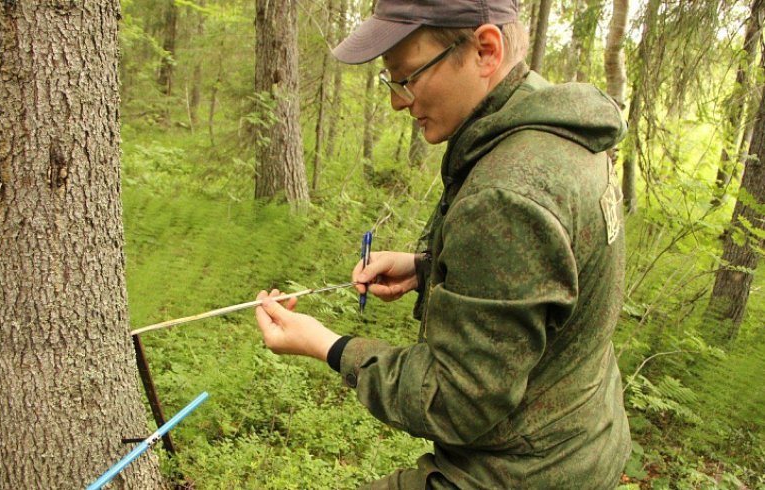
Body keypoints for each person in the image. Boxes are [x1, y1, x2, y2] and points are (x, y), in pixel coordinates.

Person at [255, 0, 631, 487]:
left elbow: (455, 400)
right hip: (583, 439)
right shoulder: (560, 136)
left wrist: (330, 347)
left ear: (484, 51)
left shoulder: (508, 192)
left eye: (407, 77)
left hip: (522, 472)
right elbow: (548, 285)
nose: (396, 101)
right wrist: (429, 267)